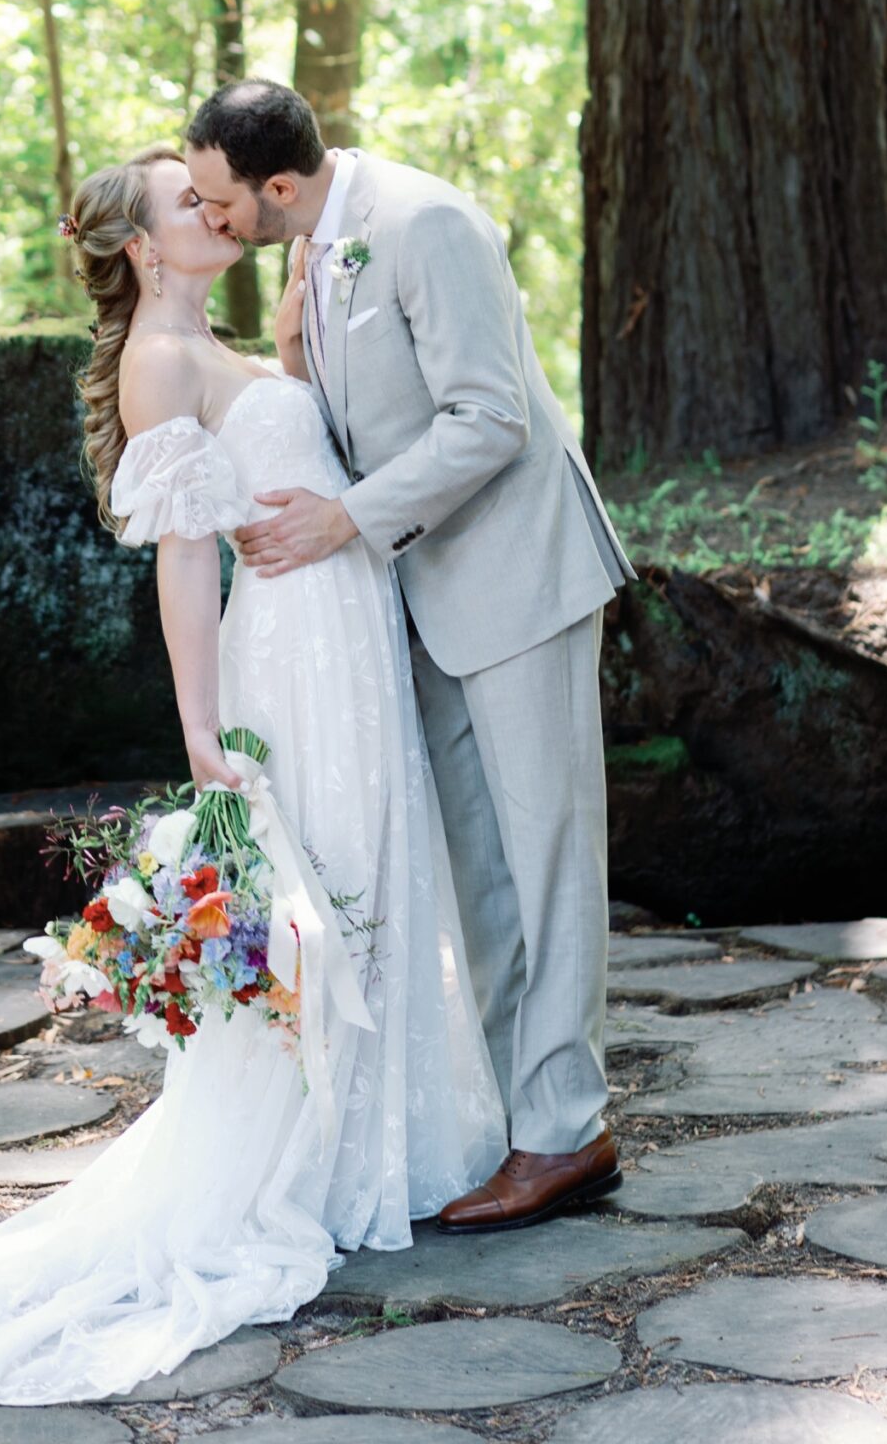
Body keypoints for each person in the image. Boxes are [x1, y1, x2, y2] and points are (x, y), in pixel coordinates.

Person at [0, 145, 504, 1410]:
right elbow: (181, 560)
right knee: (319, 894)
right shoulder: (159, 359)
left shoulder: (225, 336)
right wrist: (200, 730)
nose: (211, 210)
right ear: (145, 247)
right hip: (292, 654)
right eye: (185, 205)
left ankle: (384, 1150)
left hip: (352, 633)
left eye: (209, 197)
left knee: (373, 877)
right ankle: (299, 1164)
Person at [185, 79, 631, 1231]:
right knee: (480, 876)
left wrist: (345, 522)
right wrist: (290, 359)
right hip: (424, 596)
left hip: (516, 576)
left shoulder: (422, 222)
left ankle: (567, 1133)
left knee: (547, 862)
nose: (211, 218)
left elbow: (490, 419)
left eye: (217, 199)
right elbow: (368, 419)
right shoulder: (317, 251)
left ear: (276, 185)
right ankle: (518, 1121)